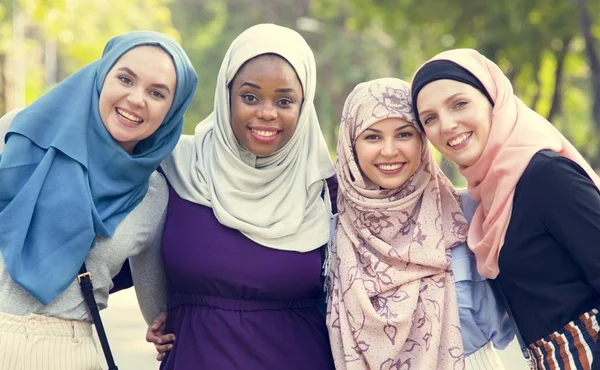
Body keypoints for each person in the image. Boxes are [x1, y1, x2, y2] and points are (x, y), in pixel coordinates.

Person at [0, 30, 198, 370]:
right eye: (125, 79)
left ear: (171, 110)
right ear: (101, 76)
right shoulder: (19, 132)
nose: (137, 99)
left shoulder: (151, 193)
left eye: (157, 93)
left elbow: (158, 306)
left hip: (69, 354)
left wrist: (167, 328)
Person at [147, 23, 337, 369]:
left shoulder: (325, 188)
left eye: (285, 100)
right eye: (250, 97)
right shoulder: (178, 167)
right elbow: (117, 252)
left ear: (304, 105)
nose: (267, 112)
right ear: (226, 95)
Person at [411, 48, 600, 370]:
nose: (447, 124)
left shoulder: (544, 174)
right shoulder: (491, 193)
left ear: (493, 100)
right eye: (430, 118)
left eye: (459, 104)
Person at [326, 77, 512, 370]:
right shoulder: (333, 233)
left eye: (404, 134)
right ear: (351, 145)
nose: (389, 151)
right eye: (372, 137)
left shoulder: (467, 213)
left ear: (423, 140)